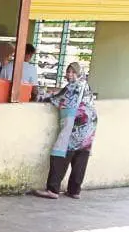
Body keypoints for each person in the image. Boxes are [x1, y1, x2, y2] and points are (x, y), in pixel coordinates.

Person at [33, 62, 98, 200]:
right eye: (68, 71)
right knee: (81, 154)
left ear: (79, 73)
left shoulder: (73, 86)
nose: (70, 74)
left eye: (73, 72)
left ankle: (53, 189)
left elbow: (57, 99)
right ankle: (74, 191)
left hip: (75, 122)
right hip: (89, 123)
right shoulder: (85, 85)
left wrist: (40, 96)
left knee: (60, 152)